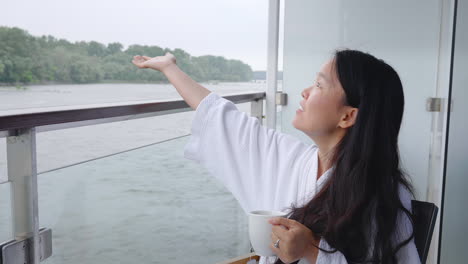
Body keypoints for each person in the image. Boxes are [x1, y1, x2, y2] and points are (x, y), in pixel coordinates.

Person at [132, 50, 420, 264]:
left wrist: (311, 251)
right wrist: (170, 68)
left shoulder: (386, 195)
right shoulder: (290, 159)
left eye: (319, 85)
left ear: (348, 116)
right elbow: (221, 117)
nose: (305, 92)